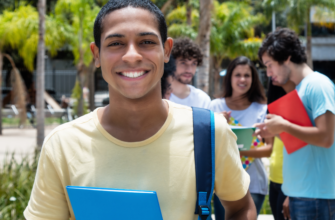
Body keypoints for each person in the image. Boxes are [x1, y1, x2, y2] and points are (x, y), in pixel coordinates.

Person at [23, 1, 257, 219]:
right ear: (97, 55)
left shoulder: (210, 132)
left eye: (146, 42)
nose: (132, 56)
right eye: (116, 43)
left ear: (166, 51)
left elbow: (241, 207)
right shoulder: (63, 144)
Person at [257, 28, 335, 220]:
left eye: (270, 65)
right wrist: (275, 130)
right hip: (301, 194)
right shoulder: (300, 89)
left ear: (286, 57)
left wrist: (284, 126)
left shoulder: (318, 85)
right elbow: (303, 144)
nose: (268, 73)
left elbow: (326, 137)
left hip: (316, 196)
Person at [209, 56, 271, 219]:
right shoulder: (215, 106)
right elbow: (204, 144)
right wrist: (216, 122)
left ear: (253, 79)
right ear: (229, 77)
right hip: (223, 184)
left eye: (247, 75)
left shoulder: (262, 109)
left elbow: (269, 149)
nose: (242, 79)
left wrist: (238, 152)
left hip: (254, 184)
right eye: (237, 75)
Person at [265, 79, 295, 220]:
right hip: (274, 180)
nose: (271, 73)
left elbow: (302, 149)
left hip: (289, 184)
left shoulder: (297, 105)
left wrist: (292, 192)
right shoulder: (272, 107)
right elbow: (268, 147)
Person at [169, 38, 211, 109]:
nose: (189, 70)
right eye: (183, 63)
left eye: (194, 64)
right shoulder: (158, 97)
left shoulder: (202, 100)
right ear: (171, 63)